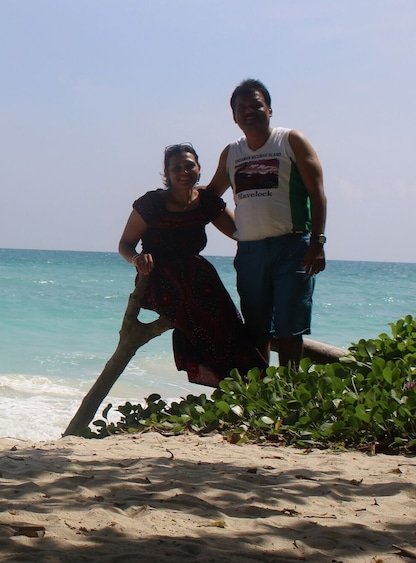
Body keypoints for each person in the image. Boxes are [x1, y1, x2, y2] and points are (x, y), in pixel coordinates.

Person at [118, 143, 267, 387]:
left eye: (190, 166)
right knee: (194, 309)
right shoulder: (151, 204)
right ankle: (224, 377)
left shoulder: (206, 203)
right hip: (157, 278)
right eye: (176, 167)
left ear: (199, 169)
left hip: (197, 276)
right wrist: (136, 259)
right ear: (166, 173)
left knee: (228, 319)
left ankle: (251, 382)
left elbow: (241, 232)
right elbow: (125, 244)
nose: (184, 172)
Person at [204, 79, 328, 367]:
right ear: (234, 117)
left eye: (256, 105)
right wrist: (237, 232)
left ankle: (290, 393)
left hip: (293, 247)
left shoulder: (290, 140)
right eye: (241, 108)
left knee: (290, 326)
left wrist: (318, 242)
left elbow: (317, 193)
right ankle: (260, 394)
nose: (249, 111)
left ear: (269, 109)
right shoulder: (231, 153)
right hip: (251, 252)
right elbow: (211, 199)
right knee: (256, 326)